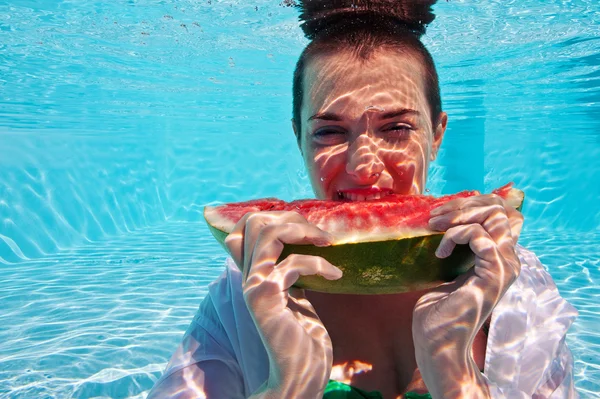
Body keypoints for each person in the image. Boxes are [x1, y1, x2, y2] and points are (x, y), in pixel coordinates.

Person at [147, 1, 578, 398]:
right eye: (330, 132)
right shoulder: (253, 284)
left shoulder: (510, 278)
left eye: (396, 129)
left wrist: (457, 379)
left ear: (437, 136)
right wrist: (288, 386)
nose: (363, 165)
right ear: (299, 139)